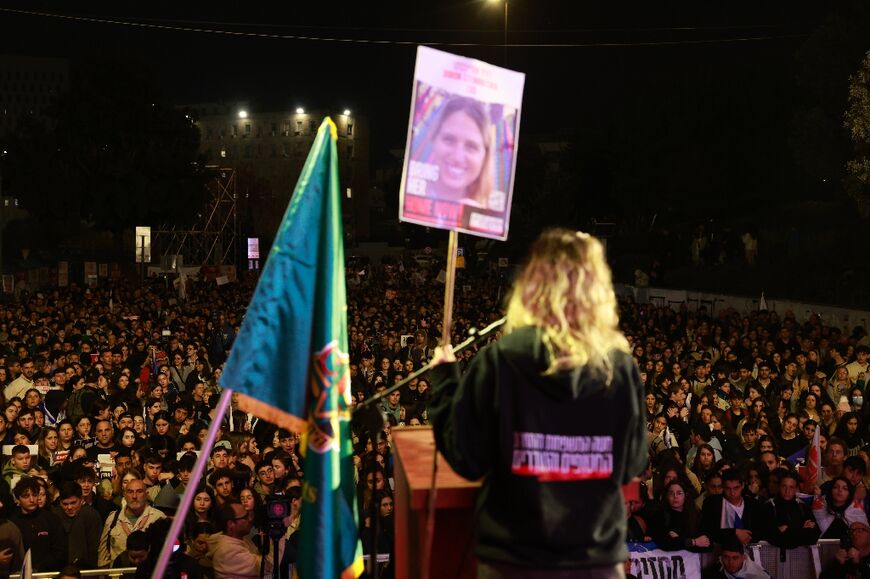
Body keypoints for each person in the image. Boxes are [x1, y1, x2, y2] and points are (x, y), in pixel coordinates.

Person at [429, 228, 647, 577]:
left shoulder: (499, 360)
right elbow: (632, 463)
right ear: (597, 289)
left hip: (513, 561)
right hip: (594, 562)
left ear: (531, 285)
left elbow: (466, 457)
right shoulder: (619, 367)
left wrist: (444, 383)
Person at [701, 537, 771, 579]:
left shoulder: (758, 575)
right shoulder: (711, 574)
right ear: (721, 558)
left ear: (743, 558)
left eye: (735, 558)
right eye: (726, 557)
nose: (730, 562)